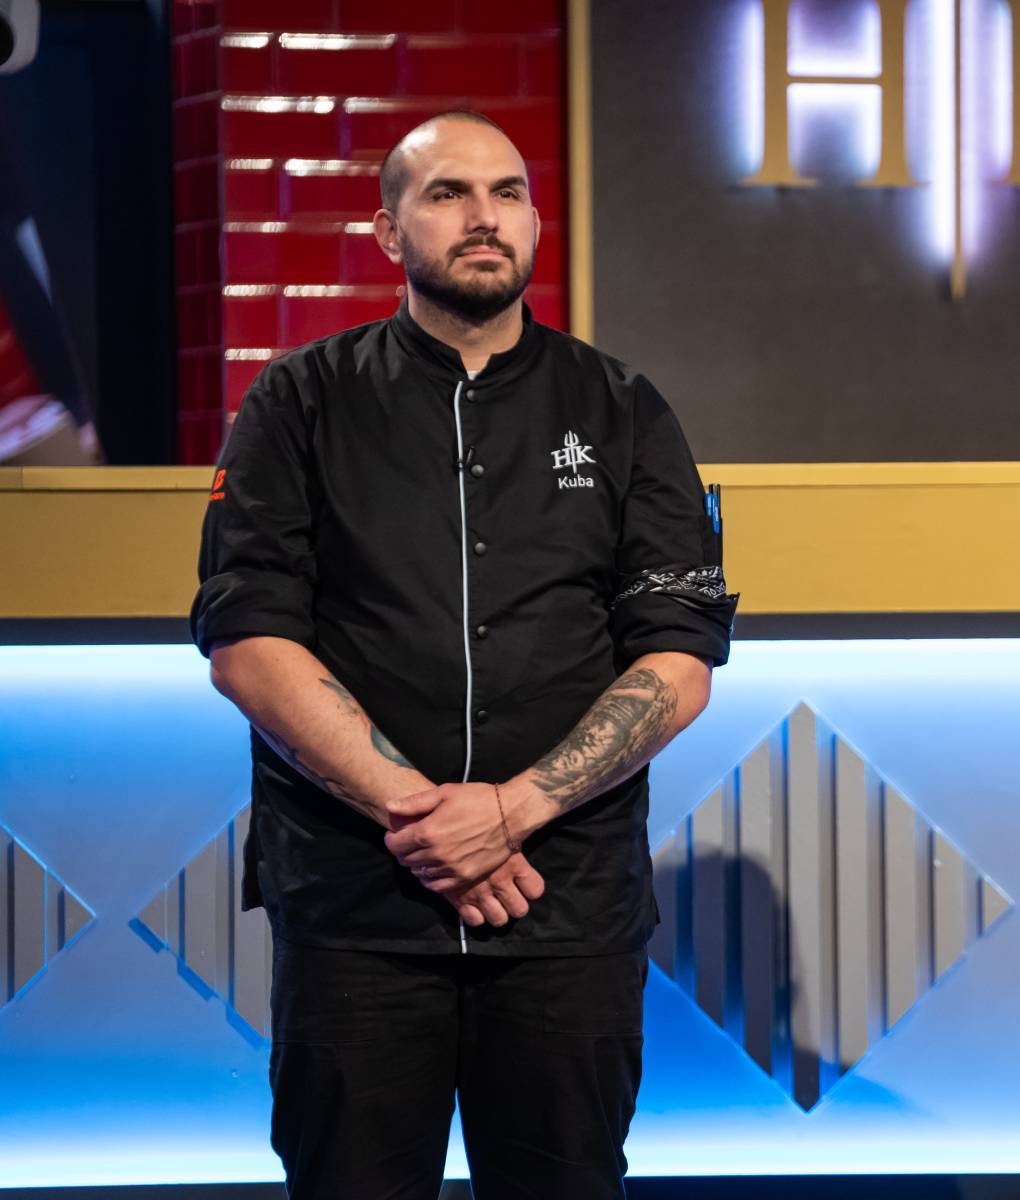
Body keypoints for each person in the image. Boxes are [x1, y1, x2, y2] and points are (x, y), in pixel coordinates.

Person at [192, 109, 736, 1199]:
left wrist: (512, 811)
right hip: (358, 910)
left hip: (563, 909)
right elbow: (248, 642)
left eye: (508, 192)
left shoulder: (624, 409)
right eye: (447, 193)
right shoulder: (299, 401)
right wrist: (425, 818)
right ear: (389, 232)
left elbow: (679, 658)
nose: (484, 216)